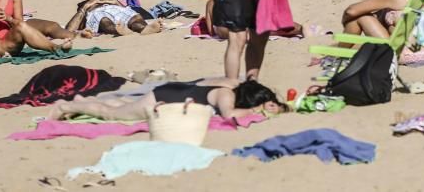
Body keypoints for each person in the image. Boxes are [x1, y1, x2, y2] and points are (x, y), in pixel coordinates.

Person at [47, 79, 286, 122]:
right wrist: (258, 110)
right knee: (114, 115)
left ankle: (79, 101)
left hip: (170, 93)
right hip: (165, 97)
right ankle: (65, 106)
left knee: (121, 106)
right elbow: (230, 115)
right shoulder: (227, 95)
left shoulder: (231, 89)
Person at [64, 0, 162, 36]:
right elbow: (69, 30)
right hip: (96, 12)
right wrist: (85, 7)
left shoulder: (111, 3)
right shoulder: (86, 10)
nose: (98, 0)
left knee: (134, 18)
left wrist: (115, 2)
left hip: (115, 8)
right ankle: (118, 30)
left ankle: (145, 29)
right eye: (94, 0)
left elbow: (128, 9)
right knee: (104, 20)